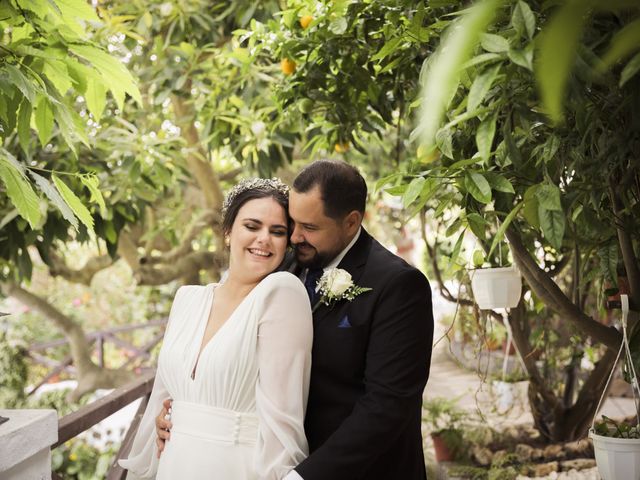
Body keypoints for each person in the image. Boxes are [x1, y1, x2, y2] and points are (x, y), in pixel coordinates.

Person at [157, 160, 434, 479]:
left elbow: (387, 407)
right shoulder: (281, 264)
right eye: (293, 223)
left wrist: (301, 476)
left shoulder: (398, 286)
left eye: (310, 227)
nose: (295, 236)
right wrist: (184, 417)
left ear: (351, 222)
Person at [119, 178, 313, 480]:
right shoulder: (187, 299)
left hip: (235, 467)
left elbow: (284, 423)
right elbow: (166, 393)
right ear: (227, 232)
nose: (264, 238)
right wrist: (167, 419)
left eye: (277, 232)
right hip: (173, 464)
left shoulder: (281, 293)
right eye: (252, 226)